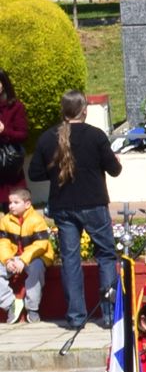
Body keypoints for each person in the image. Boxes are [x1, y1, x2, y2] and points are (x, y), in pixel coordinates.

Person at [27, 90, 119, 331]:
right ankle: (109, 315)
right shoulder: (96, 136)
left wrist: (57, 172)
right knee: (106, 256)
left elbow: (34, 173)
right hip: (94, 202)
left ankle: (76, 318)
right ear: (85, 110)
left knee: (70, 260)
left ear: (63, 111)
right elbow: (114, 169)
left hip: (63, 205)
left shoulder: (48, 138)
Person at [0, 186, 52, 324]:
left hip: (34, 257)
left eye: (16, 202)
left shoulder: (36, 219)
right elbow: (3, 243)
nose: (11, 206)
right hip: (13, 257)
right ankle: (11, 304)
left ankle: (32, 308)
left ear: (27, 204)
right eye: (10, 203)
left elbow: (41, 245)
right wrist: (7, 260)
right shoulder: (5, 220)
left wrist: (23, 260)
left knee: (36, 269)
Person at [0, 70, 28, 199]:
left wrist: (4, 130)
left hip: (8, 163)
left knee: (13, 209)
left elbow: (22, 134)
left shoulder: (16, 106)